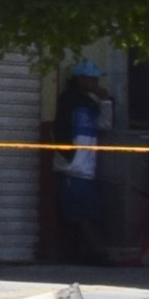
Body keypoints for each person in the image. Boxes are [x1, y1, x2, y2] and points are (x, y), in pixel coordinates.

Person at [43, 69, 118, 268]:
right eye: (92, 78)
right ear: (80, 79)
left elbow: (106, 124)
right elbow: (59, 130)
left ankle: (89, 253)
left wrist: (106, 102)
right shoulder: (69, 100)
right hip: (72, 168)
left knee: (90, 212)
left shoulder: (92, 103)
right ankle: (94, 253)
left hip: (87, 168)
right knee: (81, 214)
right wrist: (68, 157)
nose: (95, 82)